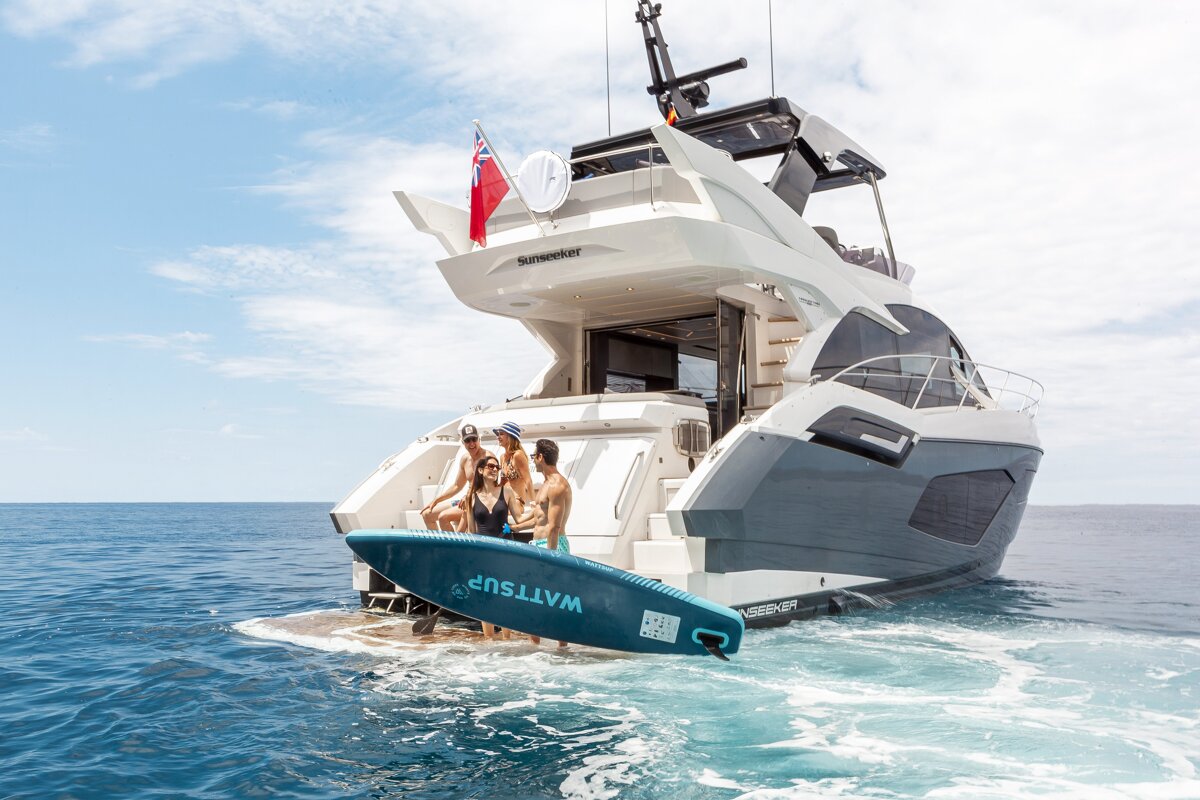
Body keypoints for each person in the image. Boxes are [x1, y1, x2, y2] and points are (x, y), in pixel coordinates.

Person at [456, 454, 527, 639]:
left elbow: (519, 518)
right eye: (490, 466)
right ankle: (489, 642)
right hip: (483, 554)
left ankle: (506, 639)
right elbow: (471, 531)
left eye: (497, 467)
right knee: (485, 598)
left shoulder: (507, 492)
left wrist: (537, 510)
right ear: (480, 470)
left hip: (505, 552)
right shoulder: (471, 497)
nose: (495, 469)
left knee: (504, 596)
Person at [524, 438, 572, 648]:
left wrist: (550, 558)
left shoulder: (557, 485)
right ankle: (535, 649)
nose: (533, 460)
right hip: (539, 545)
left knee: (557, 601)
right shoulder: (545, 484)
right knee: (534, 600)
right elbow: (538, 518)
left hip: (552, 547)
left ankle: (563, 648)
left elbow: (554, 526)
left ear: (541, 457)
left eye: (534, 456)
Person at [420, 424, 488, 531]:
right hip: (465, 500)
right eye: (467, 440)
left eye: (474, 439)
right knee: (427, 514)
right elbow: (457, 486)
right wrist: (436, 500)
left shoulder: (488, 458)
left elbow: (491, 488)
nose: (471, 444)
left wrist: (470, 497)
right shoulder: (465, 459)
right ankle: (437, 547)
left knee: (443, 517)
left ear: (479, 439)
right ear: (462, 442)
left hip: (480, 503)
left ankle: (452, 547)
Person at [494, 421, 533, 506]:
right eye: (498, 434)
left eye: (501, 434)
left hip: (517, 501)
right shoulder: (502, 457)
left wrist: (533, 503)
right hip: (503, 500)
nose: (498, 437)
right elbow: (503, 483)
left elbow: (528, 480)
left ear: (510, 436)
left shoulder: (518, 455)